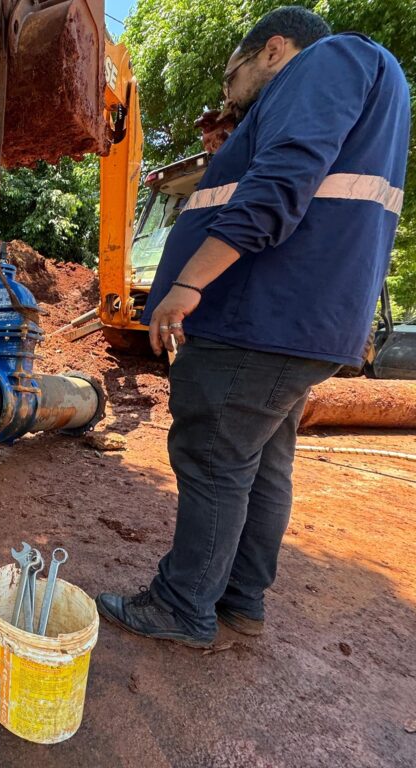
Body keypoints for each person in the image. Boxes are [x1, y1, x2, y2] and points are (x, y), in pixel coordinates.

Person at [96, 7, 410, 648]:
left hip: (256, 318)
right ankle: (240, 600)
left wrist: (185, 284)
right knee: (262, 464)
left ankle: (183, 606)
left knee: (212, 457)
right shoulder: (371, 90)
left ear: (272, 50)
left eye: (229, 76)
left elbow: (277, 188)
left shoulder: (330, 61)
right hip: (299, 327)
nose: (225, 93)